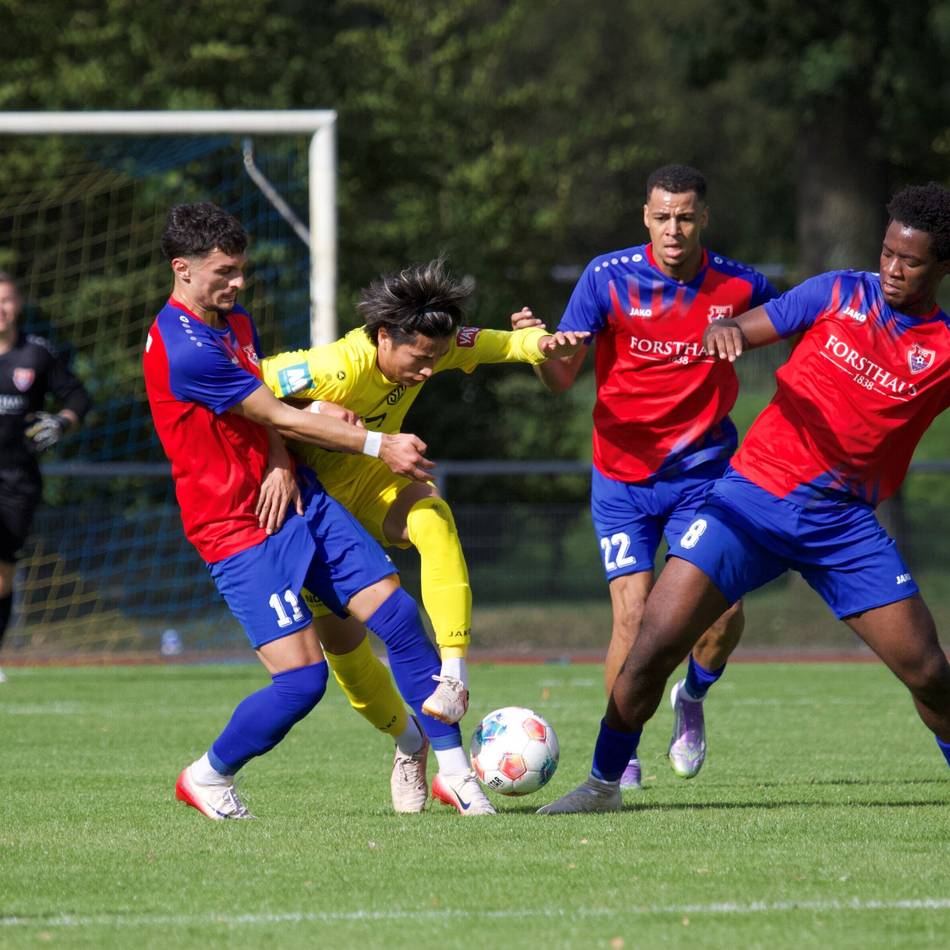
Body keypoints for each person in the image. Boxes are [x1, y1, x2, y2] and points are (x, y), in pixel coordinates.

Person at [539, 181, 950, 814]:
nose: (892, 270)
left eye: (911, 260)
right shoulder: (839, 290)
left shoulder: (944, 348)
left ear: (941, 267)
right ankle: (600, 786)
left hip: (840, 524)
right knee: (650, 643)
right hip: (748, 500)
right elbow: (760, 322)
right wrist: (730, 330)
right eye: (887, 253)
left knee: (928, 672)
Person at [144, 202, 496, 818]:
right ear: (184, 269)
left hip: (298, 496)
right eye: (225, 271)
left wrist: (282, 460)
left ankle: (459, 776)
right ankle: (207, 776)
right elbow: (275, 412)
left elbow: (267, 413)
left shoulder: (234, 322)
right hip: (235, 527)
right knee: (302, 683)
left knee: (399, 619)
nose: (238, 282)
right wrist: (377, 444)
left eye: (241, 269)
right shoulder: (183, 346)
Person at [514, 164, 777, 787]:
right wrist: (537, 352)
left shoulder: (742, 285)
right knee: (632, 619)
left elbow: (799, 339)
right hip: (622, 480)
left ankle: (692, 698)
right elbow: (561, 380)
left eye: (686, 216)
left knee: (723, 616)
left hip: (705, 477)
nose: (674, 229)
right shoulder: (605, 278)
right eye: (662, 217)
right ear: (645, 217)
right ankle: (623, 755)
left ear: (703, 218)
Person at [260, 259, 587, 736]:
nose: (431, 370)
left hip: (371, 481)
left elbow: (504, 342)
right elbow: (246, 387)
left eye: (437, 358)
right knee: (348, 659)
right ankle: (407, 742)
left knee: (433, 517)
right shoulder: (334, 368)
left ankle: (454, 674)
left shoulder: (434, 345)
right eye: (420, 360)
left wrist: (543, 344)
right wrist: (301, 425)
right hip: (315, 508)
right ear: (384, 337)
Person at [0, 272, 91, 683]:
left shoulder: (37, 354)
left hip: (17, 480)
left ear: (18, 305)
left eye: (5, 300)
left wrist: (62, 422)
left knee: (1, 572)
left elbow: (77, 398)